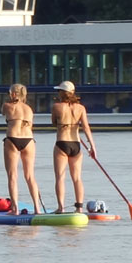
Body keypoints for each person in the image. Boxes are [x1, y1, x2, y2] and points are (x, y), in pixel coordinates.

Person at [50, 80, 96, 213]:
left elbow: (54, 122)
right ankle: (79, 209)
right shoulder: (81, 108)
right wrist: (92, 147)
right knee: (77, 178)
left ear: (63, 93)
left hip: (62, 143)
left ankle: (60, 208)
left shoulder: (56, 106)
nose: (58, 93)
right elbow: (86, 127)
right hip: (76, 144)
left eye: (59, 91)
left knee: (60, 177)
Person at [0, 83, 42, 214]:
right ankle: (37, 208)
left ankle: (15, 209)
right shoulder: (29, 108)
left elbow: (3, 113)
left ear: (12, 94)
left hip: (12, 138)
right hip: (29, 140)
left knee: (12, 176)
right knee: (30, 176)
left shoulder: (7, 106)